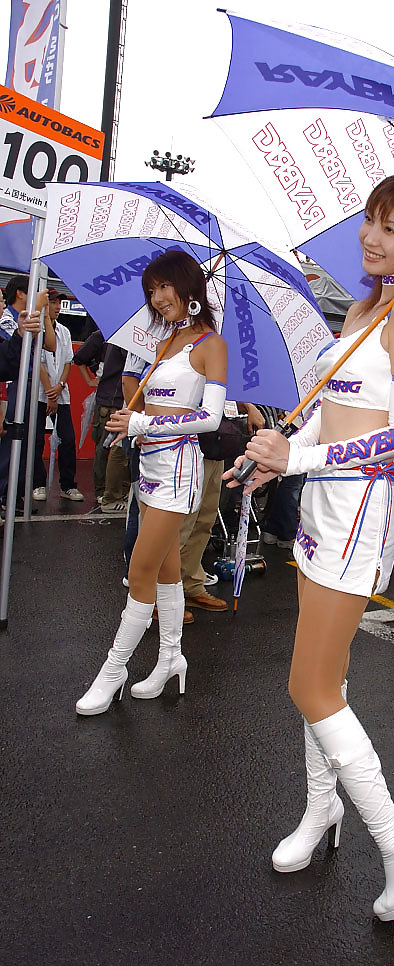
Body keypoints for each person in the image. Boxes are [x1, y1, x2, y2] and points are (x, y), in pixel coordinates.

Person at [225, 172, 394, 921]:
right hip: (322, 505)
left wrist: (293, 461)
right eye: (372, 219)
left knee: (310, 687)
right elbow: (332, 418)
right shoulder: (364, 305)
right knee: (324, 678)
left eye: (393, 228)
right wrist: (274, 452)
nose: (371, 235)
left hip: (361, 511)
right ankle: (320, 811)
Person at [75, 249, 227, 715]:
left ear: (188, 288)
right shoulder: (165, 341)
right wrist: (133, 417)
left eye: (165, 287)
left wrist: (144, 426)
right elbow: (150, 403)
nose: (158, 298)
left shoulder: (210, 346)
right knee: (163, 572)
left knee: (138, 570)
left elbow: (210, 418)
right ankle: (170, 658)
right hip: (149, 467)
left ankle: (113, 669)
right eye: (152, 290)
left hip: (180, 471)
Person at [0, 276, 56, 512]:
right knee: (11, 441)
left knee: (25, 442)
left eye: (3, 300)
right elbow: (11, 359)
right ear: (22, 293)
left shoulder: (27, 319)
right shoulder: (7, 319)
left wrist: (42, 314)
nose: (2, 303)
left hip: (29, 387)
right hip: (15, 386)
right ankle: (5, 494)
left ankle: (14, 495)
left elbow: (49, 346)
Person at [32, 290, 84, 502]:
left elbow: (67, 362)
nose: (57, 307)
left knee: (67, 439)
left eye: (59, 303)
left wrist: (60, 385)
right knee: (36, 440)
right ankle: (37, 484)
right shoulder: (37, 329)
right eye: (53, 302)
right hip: (40, 393)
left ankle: (68, 485)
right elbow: (38, 362)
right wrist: (49, 391)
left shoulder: (64, 331)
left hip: (61, 394)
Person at [72, 329, 130, 510]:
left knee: (119, 450)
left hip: (122, 402)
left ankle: (115, 492)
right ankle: (104, 493)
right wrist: (90, 381)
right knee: (109, 450)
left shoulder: (125, 334)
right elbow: (79, 358)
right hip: (112, 402)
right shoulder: (107, 334)